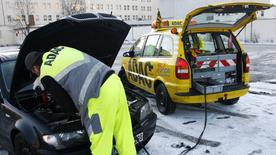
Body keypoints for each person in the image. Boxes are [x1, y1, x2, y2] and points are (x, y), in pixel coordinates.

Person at [24, 46, 136, 155]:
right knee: (124, 135)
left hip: (98, 95)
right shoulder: (60, 49)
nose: (36, 74)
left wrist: (74, 114)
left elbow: (65, 103)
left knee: (101, 143)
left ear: (35, 68)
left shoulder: (45, 74)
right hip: (114, 81)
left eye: (34, 72)